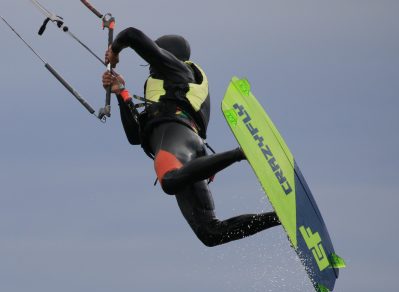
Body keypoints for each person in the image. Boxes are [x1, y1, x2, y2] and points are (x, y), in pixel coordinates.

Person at [102, 28, 280, 247]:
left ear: (167, 56)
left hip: (176, 140)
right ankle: (279, 217)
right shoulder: (169, 85)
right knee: (211, 233)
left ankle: (242, 152)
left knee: (169, 181)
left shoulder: (178, 71)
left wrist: (115, 50)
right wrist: (121, 93)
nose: (149, 67)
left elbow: (131, 35)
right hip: (186, 152)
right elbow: (135, 136)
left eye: (153, 59)